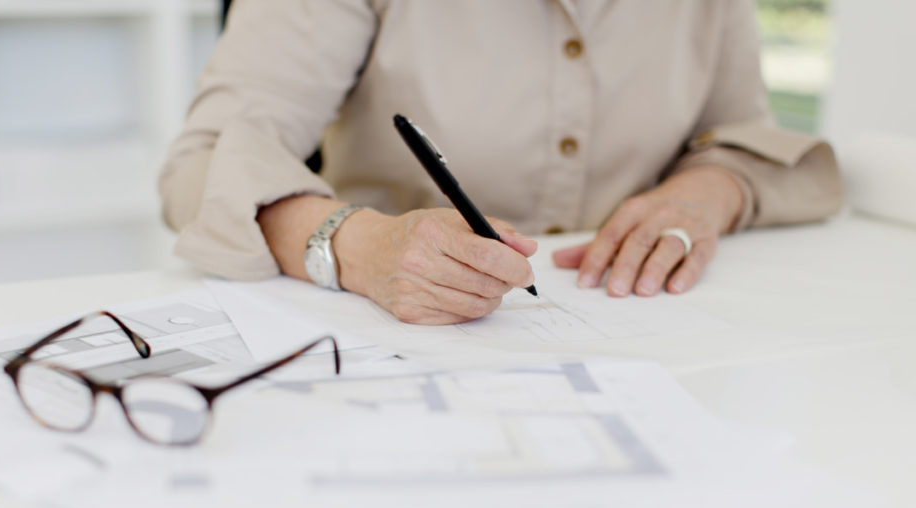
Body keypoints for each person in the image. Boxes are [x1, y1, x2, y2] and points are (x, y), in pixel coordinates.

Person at [159, 0, 842, 325]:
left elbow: (743, 136)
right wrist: (360, 246)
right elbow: (202, 162)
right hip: (392, 345)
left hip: (646, 332)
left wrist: (710, 187)